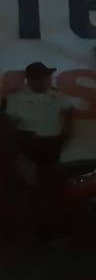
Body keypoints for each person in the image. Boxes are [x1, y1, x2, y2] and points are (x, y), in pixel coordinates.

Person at [0, 61, 76, 194]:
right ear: (31, 80)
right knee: (27, 182)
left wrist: (67, 133)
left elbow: (69, 111)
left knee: (50, 180)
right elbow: (9, 122)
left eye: (46, 77)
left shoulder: (57, 96)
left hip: (52, 143)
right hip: (28, 145)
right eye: (42, 77)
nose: (46, 81)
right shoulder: (16, 98)